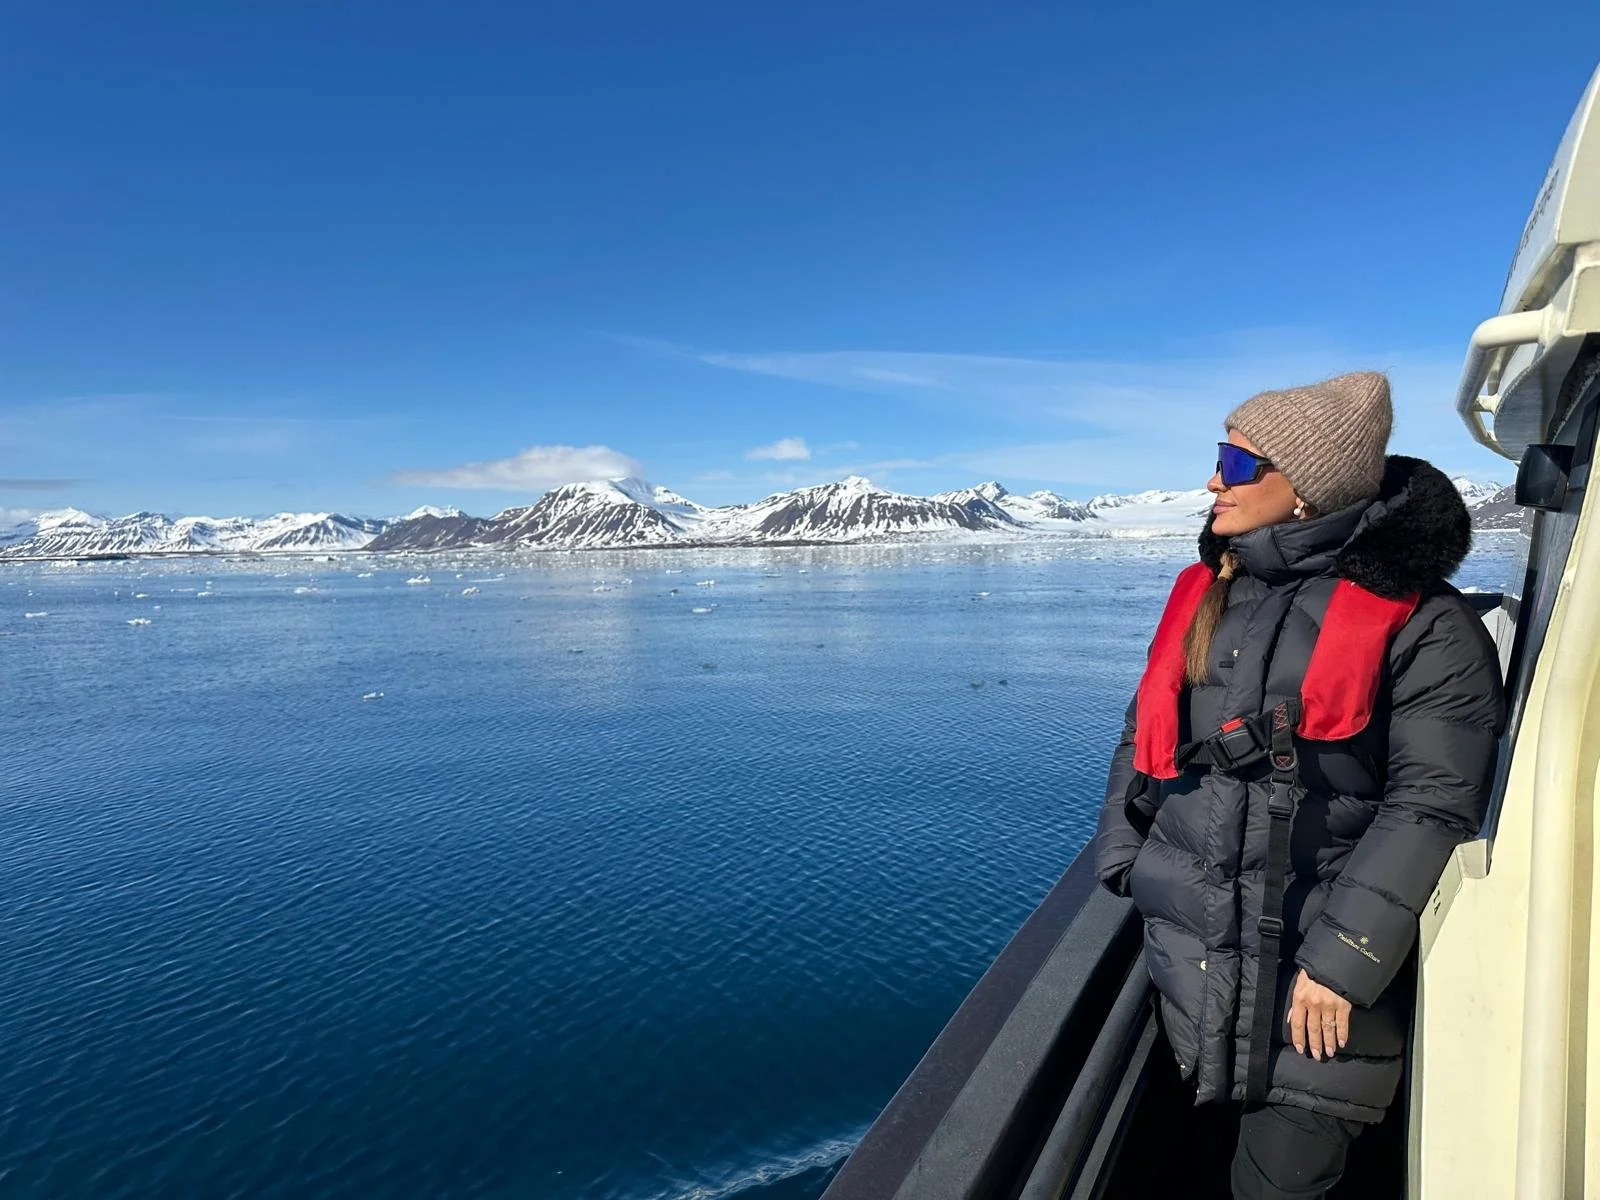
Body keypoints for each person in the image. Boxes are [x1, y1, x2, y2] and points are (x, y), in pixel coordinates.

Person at [1092, 371, 1507, 1199]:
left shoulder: (1430, 626)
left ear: (1307, 492)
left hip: (1320, 990)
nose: (1214, 480)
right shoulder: (1215, 595)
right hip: (1198, 961)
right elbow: (1145, 733)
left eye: (1237, 464)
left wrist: (1344, 960)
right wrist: (1121, 855)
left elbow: (1430, 803)